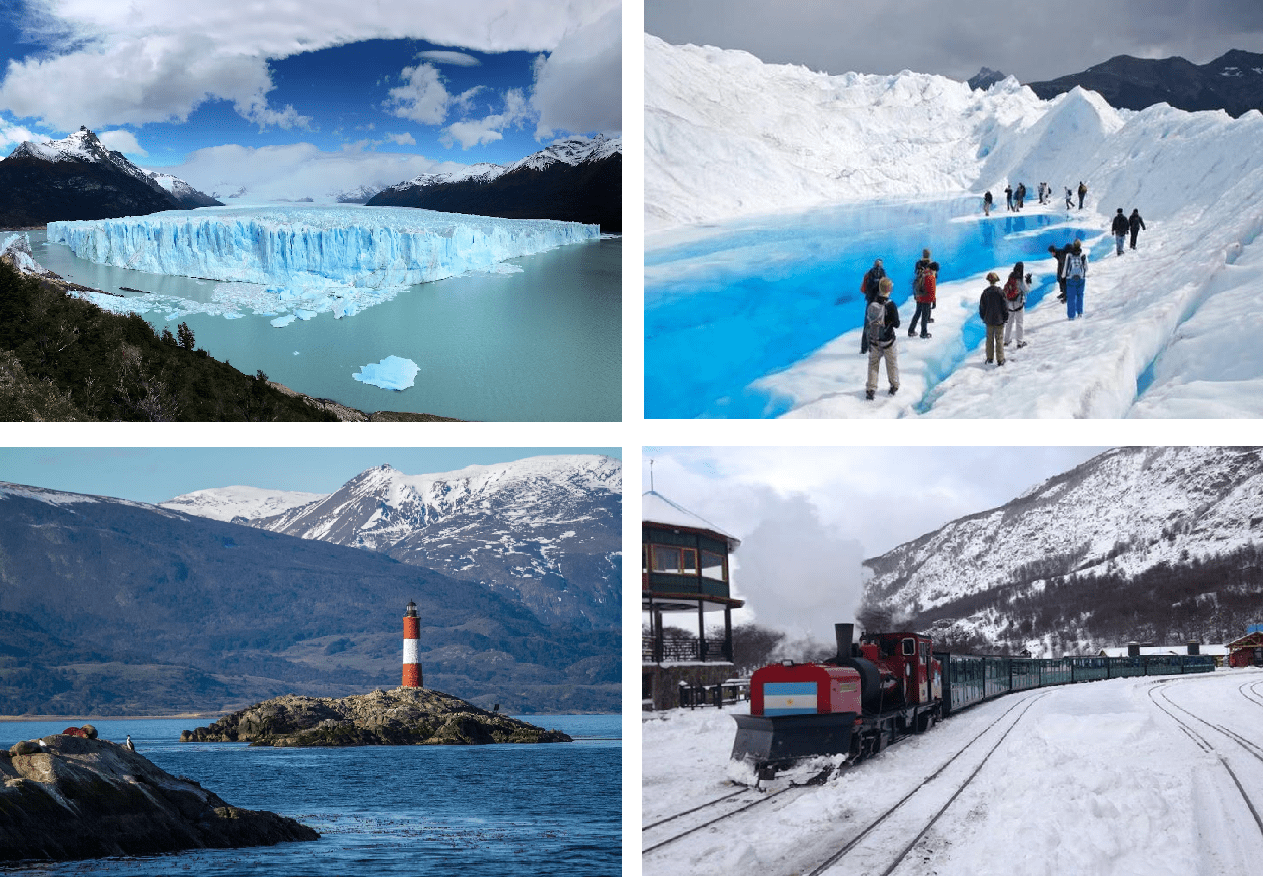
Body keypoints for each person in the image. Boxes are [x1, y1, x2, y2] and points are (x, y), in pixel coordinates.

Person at [865, 277, 900, 398]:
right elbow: (897, 324)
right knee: (891, 363)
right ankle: (894, 385)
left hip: (874, 339)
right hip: (888, 340)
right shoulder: (891, 305)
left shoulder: (872, 303)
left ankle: (871, 389)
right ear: (889, 289)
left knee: (873, 364)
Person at [979, 271, 1008, 365]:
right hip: (999, 319)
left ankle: (990, 358)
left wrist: (984, 317)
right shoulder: (1000, 292)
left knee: (989, 339)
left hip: (989, 319)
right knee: (999, 339)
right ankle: (1000, 359)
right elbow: (1005, 306)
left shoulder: (985, 293)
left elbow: (982, 307)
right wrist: (1005, 317)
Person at [858, 258, 887, 354]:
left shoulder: (868, 274)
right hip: (880, 302)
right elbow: (886, 289)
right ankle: (877, 348)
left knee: (867, 324)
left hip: (870, 302)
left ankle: (864, 348)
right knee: (880, 324)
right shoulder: (883, 274)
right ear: (881, 265)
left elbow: (862, 289)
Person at [1003, 261, 1031, 349]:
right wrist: (1028, 282)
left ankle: (1006, 341)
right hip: (1018, 304)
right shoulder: (1020, 279)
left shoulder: (1010, 276)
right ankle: (1019, 342)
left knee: (1009, 323)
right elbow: (1026, 290)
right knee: (1019, 323)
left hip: (1009, 304)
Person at [1061, 239, 1088, 319]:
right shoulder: (1083, 255)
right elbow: (1086, 268)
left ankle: (1071, 316)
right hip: (1081, 278)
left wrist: (1063, 277)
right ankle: (1080, 313)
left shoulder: (1069, 255)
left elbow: (1066, 267)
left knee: (1071, 297)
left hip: (1070, 278)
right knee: (1080, 295)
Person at [909, 260, 937, 338]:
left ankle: (911, 330)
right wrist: (933, 300)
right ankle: (923, 333)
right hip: (926, 299)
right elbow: (931, 291)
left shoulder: (923, 273)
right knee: (924, 317)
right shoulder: (930, 277)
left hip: (919, 298)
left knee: (917, 314)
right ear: (934, 269)